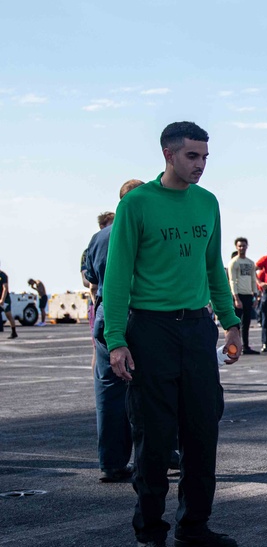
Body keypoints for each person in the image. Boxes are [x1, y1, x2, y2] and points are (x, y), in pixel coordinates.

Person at [102, 121, 242, 547]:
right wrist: (117, 339)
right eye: (192, 157)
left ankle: (194, 529)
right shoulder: (138, 204)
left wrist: (231, 322)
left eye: (204, 157)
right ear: (168, 154)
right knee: (155, 438)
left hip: (196, 330)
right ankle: (149, 534)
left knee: (203, 431)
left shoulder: (207, 203)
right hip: (150, 331)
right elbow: (117, 276)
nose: (200, 165)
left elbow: (213, 267)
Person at [84, 180, 143, 482]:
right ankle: (164, 452)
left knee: (108, 390)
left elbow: (90, 277)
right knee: (158, 385)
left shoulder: (99, 236)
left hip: (106, 312)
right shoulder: (144, 228)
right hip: (140, 310)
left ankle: (112, 462)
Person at [228, 237, 258, 354]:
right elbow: (232, 281)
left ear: (247, 246)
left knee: (247, 322)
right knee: (236, 323)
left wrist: (255, 296)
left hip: (248, 295)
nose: (242, 248)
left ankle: (246, 346)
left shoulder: (250, 263)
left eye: (244, 246)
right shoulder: (234, 263)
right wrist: (236, 298)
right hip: (238, 295)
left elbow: (253, 280)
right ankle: (234, 346)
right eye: (239, 246)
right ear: (236, 247)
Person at [0, 262, 16, 338]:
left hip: (5, 298)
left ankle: (14, 332)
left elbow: (5, 288)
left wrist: (2, 299)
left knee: (8, 315)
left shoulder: (3, 275)